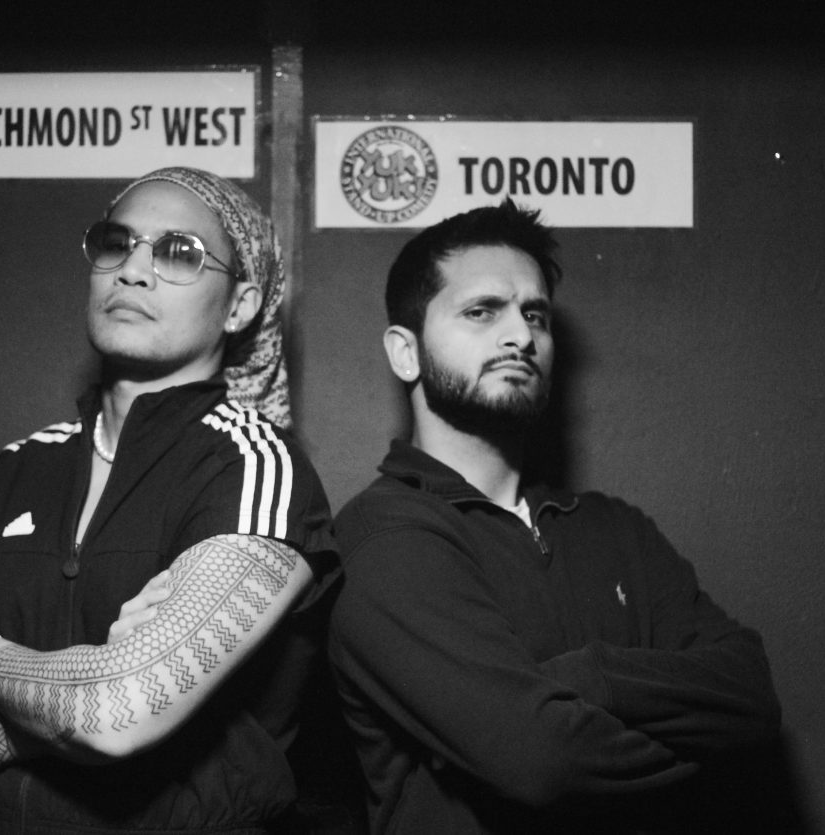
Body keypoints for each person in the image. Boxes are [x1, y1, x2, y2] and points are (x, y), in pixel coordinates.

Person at [0, 166, 338, 833]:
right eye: (117, 243)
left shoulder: (256, 467)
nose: (133, 270)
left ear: (240, 305)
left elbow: (115, 716)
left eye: (179, 253)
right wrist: (74, 700)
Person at [328, 200, 782, 834]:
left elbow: (752, 696)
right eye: (482, 311)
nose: (520, 336)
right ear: (406, 352)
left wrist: (589, 678)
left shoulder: (616, 529)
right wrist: (698, 753)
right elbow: (541, 760)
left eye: (534, 315)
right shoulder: (385, 536)